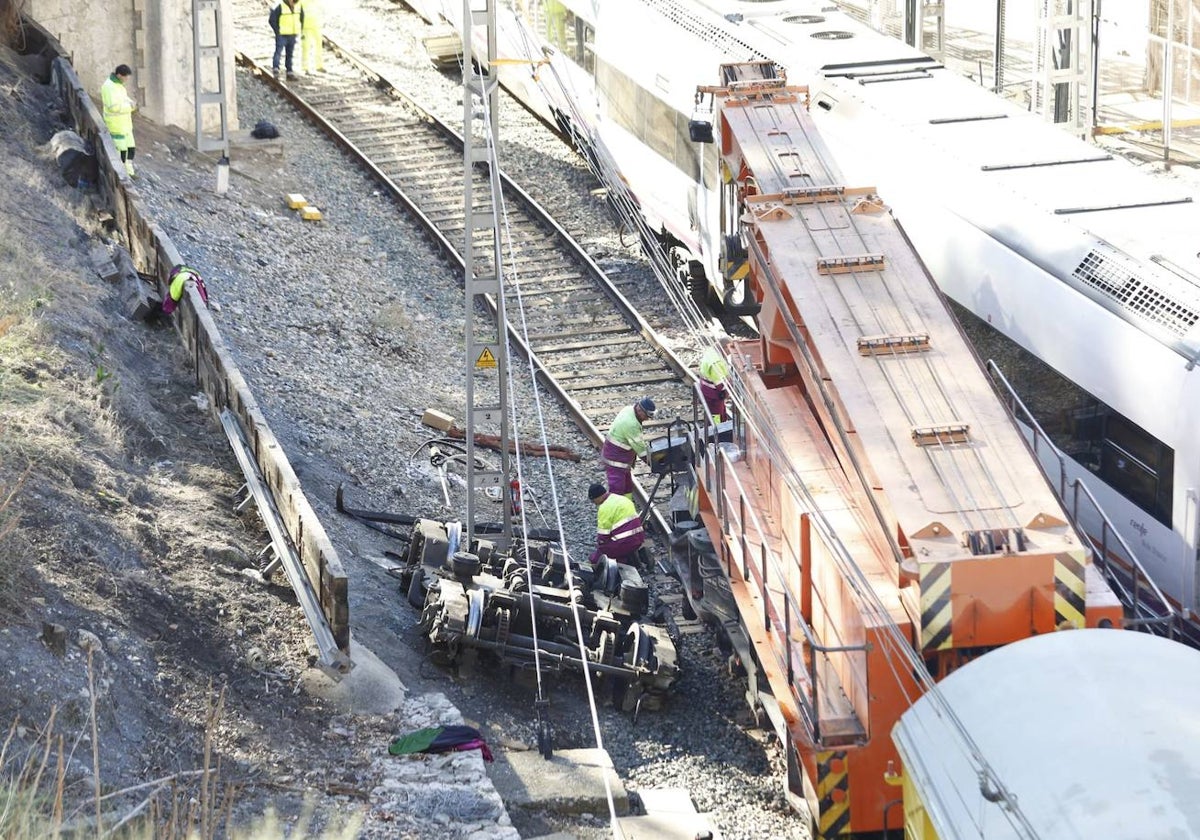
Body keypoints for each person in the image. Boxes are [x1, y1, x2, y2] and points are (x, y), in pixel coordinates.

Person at [601, 396, 655, 497]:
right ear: (640, 410)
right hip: (616, 460)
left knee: (627, 487)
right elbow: (641, 451)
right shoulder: (631, 424)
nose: (647, 419)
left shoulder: (629, 409)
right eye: (647, 416)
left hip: (620, 457)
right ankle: (616, 510)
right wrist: (656, 465)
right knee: (617, 490)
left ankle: (628, 509)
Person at [588, 482, 646, 573]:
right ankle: (631, 559)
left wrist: (600, 546)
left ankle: (623, 563)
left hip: (625, 543)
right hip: (638, 538)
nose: (594, 503)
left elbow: (603, 536)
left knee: (599, 554)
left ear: (597, 497)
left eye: (593, 500)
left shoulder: (604, 508)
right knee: (614, 543)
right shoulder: (621, 498)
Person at [100, 65, 137, 178]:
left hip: (125, 124)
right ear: (120, 75)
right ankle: (120, 175)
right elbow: (113, 107)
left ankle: (130, 172)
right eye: (125, 77)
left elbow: (124, 98)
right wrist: (130, 107)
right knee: (121, 151)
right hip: (116, 124)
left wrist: (131, 103)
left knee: (130, 148)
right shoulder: (108, 87)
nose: (126, 80)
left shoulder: (119, 85)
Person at [270, 0, 304, 80]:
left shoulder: (298, 5)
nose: (294, 3)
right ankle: (276, 69)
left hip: (292, 34)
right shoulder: (280, 6)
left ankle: (289, 72)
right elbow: (272, 20)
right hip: (282, 34)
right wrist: (277, 31)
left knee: (290, 54)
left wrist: (300, 30)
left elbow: (302, 18)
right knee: (278, 52)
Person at [698, 346, 730, 423]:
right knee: (716, 414)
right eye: (729, 350)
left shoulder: (711, 352)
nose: (730, 353)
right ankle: (717, 431)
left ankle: (719, 427)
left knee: (718, 412)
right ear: (725, 348)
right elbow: (720, 385)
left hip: (707, 390)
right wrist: (729, 390)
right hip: (713, 394)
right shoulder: (716, 363)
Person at [301, 0, 325, 74]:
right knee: (305, 47)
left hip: (316, 26)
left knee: (318, 46)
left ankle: (319, 66)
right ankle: (305, 68)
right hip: (306, 27)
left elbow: (321, 11)